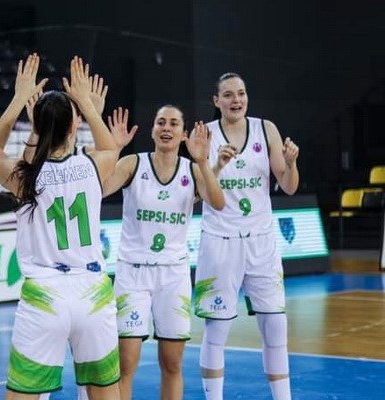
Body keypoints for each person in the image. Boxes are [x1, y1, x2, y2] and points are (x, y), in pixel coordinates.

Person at [0, 54, 121, 400]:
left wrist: (19, 99)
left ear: (37, 126)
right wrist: (87, 106)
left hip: (45, 295)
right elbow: (109, 146)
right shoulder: (93, 165)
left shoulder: (25, 177)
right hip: (93, 291)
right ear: (74, 127)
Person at [100, 106, 225, 400]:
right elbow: (99, 190)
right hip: (133, 273)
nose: (166, 128)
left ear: (183, 134)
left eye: (173, 123)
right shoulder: (133, 164)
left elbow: (218, 203)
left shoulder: (192, 170)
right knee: (125, 361)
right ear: (153, 130)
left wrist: (204, 162)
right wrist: (113, 151)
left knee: (172, 363)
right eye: (160, 122)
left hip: (173, 275)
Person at [193, 72, 300, 400]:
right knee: (217, 330)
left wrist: (291, 164)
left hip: (261, 241)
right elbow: (199, 194)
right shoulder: (204, 135)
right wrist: (217, 165)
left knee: (276, 327)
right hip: (220, 241)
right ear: (216, 101)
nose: (236, 100)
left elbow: (289, 186)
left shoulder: (266, 129)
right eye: (228, 95)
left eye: (241, 93)